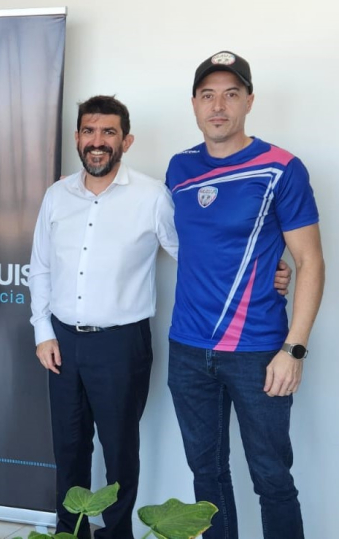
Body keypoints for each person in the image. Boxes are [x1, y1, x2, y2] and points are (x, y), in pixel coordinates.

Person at [166, 51, 325, 539]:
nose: (219, 106)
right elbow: (190, 247)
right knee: (206, 478)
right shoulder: (179, 168)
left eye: (231, 94)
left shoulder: (282, 168)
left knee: (272, 480)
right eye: (209, 95)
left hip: (258, 352)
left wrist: (293, 348)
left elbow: (310, 262)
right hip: (188, 352)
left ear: (249, 101)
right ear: (194, 103)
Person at [29, 95, 178, 539]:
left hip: (121, 345)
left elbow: (193, 255)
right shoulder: (57, 196)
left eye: (109, 132)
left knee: (119, 451)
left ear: (126, 141)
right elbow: (40, 267)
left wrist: (269, 272)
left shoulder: (153, 196)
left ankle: (117, 535)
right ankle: (68, 533)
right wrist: (42, 331)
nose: (98, 141)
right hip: (61, 343)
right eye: (89, 131)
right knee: (69, 448)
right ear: (77, 138)